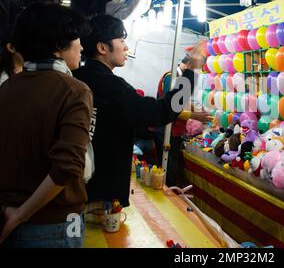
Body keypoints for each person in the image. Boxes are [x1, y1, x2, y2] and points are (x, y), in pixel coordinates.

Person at [73, 14, 204, 209]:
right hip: (102, 194)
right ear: (102, 48)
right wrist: (191, 72)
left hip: (75, 187)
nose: (126, 47)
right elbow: (163, 111)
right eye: (121, 41)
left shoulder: (75, 79)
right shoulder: (113, 88)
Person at [0, 2, 93, 248]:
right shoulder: (75, 90)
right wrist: (22, 214)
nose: (82, 46)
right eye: (76, 38)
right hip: (56, 227)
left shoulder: (7, 87)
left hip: (7, 218)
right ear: (58, 45)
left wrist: (12, 212)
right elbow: (67, 167)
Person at [155, 50, 211, 187]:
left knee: (173, 166)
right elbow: (170, 107)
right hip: (166, 130)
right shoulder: (171, 77)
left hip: (176, 130)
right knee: (168, 167)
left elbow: (181, 102)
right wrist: (194, 115)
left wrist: (196, 109)